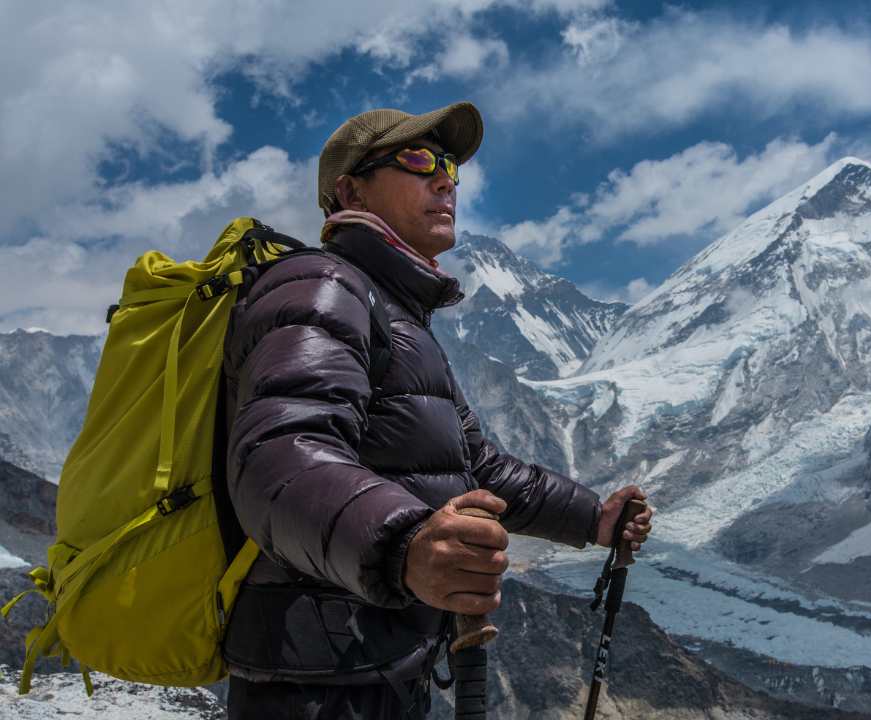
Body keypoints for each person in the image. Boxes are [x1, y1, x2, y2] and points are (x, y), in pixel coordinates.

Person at [218, 102, 653, 719]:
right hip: (319, 684)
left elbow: (477, 469)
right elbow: (281, 460)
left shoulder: (395, 313)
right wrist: (406, 543)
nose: (446, 178)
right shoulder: (323, 287)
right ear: (349, 189)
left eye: (448, 164)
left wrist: (593, 520)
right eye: (417, 160)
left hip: (376, 662)